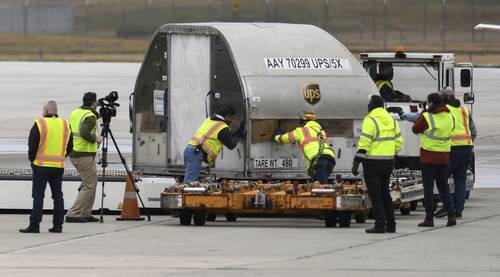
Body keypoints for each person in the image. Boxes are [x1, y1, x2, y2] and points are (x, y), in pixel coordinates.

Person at [352, 95, 403, 233]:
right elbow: (399, 142)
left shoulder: (370, 120)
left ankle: (380, 224)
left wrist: (357, 162)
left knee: (376, 195)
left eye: (369, 103)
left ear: (373, 105)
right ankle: (391, 225)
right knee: (385, 193)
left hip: (373, 163)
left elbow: (364, 142)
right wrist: (390, 153)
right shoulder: (391, 120)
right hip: (388, 162)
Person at [20, 101, 72, 233]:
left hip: (41, 166)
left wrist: (32, 160)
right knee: (58, 196)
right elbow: (70, 146)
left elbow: (32, 144)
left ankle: (35, 225)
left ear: (47, 111)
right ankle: (58, 225)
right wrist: (61, 157)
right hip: (58, 167)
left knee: (38, 196)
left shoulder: (40, 123)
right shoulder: (65, 124)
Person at [412, 93, 456, 227]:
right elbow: (452, 128)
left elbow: (415, 129)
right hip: (444, 157)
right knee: (443, 186)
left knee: (428, 189)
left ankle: (429, 218)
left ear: (430, 103)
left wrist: (424, 112)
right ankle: (451, 215)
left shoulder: (427, 116)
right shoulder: (450, 116)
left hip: (428, 157)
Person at [434, 87, 477, 219]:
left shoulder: (444, 110)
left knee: (441, 178)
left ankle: (447, 206)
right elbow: (473, 130)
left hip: (452, 149)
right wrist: (468, 142)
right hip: (467, 148)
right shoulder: (464, 109)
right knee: (460, 180)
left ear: (444, 98)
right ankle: (458, 210)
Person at [65, 92, 102, 223]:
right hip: (83, 154)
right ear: (94, 103)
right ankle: (73, 213)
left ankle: (85, 212)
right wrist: (96, 139)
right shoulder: (90, 116)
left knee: (92, 182)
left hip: (75, 152)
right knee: (89, 185)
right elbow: (85, 133)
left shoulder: (75, 112)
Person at [184, 105, 245, 184]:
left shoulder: (209, 120)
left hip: (190, 150)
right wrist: (240, 131)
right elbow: (231, 144)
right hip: (196, 153)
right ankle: (186, 196)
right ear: (227, 116)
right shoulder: (222, 128)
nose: (232, 121)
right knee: (190, 183)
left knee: (189, 180)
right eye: (231, 118)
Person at [274, 112, 336, 184]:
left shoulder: (302, 130)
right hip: (330, 158)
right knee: (321, 183)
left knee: (319, 187)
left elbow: (287, 138)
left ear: (305, 122)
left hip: (318, 159)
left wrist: (277, 137)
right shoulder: (321, 132)